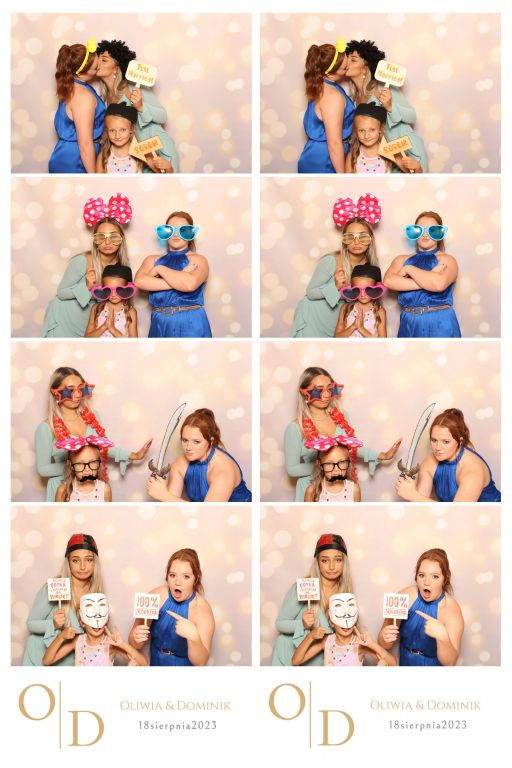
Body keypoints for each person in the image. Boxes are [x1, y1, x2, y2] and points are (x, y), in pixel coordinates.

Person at [35, 366, 152, 501]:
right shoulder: (46, 428)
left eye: (80, 389)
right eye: (70, 390)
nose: (77, 395)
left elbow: (104, 447)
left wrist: (133, 455)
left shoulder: (92, 416)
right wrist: (76, 469)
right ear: (56, 393)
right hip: (63, 489)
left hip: (91, 486)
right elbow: (42, 468)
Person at [284, 367, 401, 501]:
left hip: (340, 486)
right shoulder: (295, 428)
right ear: (305, 393)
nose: (326, 395)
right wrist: (326, 468)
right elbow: (292, 469)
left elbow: (352, 446)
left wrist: (382, 455)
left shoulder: (341, 416)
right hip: (312, 489)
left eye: (330, 389)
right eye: (319, 390)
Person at [42, 195, 132, 338]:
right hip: (64, 318)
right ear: (95, 240)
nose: (107, 242)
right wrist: (87, 286)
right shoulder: (82, 261)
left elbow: (123, 298)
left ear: (121, 240)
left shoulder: (122, 267)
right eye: (101, 237)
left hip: (89, 322)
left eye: (113, 237)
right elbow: (61, 293)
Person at [291, 194, 381, 337]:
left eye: (362, 237)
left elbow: (372, 298)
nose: (356, 242)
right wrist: (335, 286)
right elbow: (311, 293)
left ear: (371, 240)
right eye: (350, 237)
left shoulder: (371, 267)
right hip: (313, 317)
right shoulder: (331, 261)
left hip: (339, 321)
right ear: (344, 240)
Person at [96, 39, 179, 173]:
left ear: (116, 68)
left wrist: (141, 107)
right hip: (137, 157)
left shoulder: (133, 87)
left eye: (104, 60)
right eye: (98, 58)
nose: (97, 62)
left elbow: (163, 116)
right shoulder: (105, 98)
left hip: (158, 151)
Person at [345, 39, 427, 173]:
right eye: (347, 58)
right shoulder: (354, 98)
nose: (346, 62)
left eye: (353, 60)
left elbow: (412, 116)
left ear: (365, 68)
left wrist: (390, 106)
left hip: (407, 153)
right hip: (385, 158)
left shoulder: (382, 87)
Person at [22, 534, 103, 666]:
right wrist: (53, 624)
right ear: (68, 562)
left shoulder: (96, 595)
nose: (82, 566)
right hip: (37, 658)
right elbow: (31, 624)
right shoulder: (53, 588)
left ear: (95, 562)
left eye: (88, 560)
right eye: (75, 560)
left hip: (68, 662)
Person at [272, 533, 352, 666]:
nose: (332, 567)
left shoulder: (345, 594)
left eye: (338, 560)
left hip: (318, 662)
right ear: (317, 562)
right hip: (287, 658)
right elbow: (280, 624)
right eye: (325, 560)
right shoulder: (303, 588)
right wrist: (302, 625)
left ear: (344, 562)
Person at [377, 548, 464, 666]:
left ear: (445, 578)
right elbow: (382, 644)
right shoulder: (404, 596)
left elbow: (450, 662)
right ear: (416, 577)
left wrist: (443, 637)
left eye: (435, 576)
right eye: (421, 575)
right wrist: (384, 638)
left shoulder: (452, 610)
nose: (427, 582)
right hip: (405, 662)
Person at [128, 549, 215, 666]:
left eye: (186, 576)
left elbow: (201, 662)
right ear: (167, 577)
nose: (177, 582)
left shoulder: (202, 610)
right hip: (155, 662)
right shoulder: (155, 596)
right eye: (172, 575)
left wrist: (194, 637)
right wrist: (135, 639)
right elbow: (133, 644)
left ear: (196, 579)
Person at [395, 408, 500, 502]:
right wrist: (410, 490)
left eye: (446, 442)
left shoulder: (471, 470)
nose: (437, 448)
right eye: (434, 440)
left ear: (460, 441)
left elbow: (458, 513)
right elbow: (420, 507)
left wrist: (413, 495)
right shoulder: (430, 462)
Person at [146, 408, 251, 502]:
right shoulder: (180, 463)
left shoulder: (222, 471)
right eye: (185, 440)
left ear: (211, 441)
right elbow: (170, 507)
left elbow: (209, 513)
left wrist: (164, 496)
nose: (188, 448)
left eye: (196, 442)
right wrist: (161, 491)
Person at [135, 211, 212, 338]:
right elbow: (139, 282)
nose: (176, 234)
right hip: (159, 323)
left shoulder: (199, 260)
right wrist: (181, 277)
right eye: (170, 229)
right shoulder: (152, 259)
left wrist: (159, 269)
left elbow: (189, 284)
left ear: (190, 233)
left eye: (183, 230)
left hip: (191, 322)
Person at [384, 212, 461, 337]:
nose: (425, 234)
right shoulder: (401, 259)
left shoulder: (448, 260)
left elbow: (438, 284)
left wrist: (409, 269)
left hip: (440, 322)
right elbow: (388, 281)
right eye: (419, 229)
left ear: (439, 233)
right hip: (409, 323)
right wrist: (429, 277)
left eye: (432, 230)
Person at [298, 39, 355, 173]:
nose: (348, 67)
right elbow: (334, 143)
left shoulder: (321, 86)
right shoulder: (332, 97)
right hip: (325, 160)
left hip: (320, 155)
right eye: (344, 68)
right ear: (329, 73)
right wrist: (342, 177)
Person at [292, 592, 396, 666]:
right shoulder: (327, 641)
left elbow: (392, 663)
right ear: (331, 622)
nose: (346, 625)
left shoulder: (360, 644)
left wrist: (372, 644)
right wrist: (310, 637)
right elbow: (296, 661)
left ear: (355, 620)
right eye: (340, 617)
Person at [43, 593, 147, 666]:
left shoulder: (111, 644)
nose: (97, 625)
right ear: (82, 622)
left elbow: (143, 663)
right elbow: (47, 661)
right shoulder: (78, 641)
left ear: (106, 620)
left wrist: (122, 644)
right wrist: (61, 637)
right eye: (91, 618)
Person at [49, 40, 105, 173]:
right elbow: (85, 143)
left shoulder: (73, 86)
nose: (99, 66)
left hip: (72, 155)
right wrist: (94, 177)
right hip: (76, 160)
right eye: (95, 68)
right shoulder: (83, 97)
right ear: (80, 73)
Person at [85, 264, 138, 338]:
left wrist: (112, 329)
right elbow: (87, 337)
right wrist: (104, 327)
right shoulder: (96, 308)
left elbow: (133, 341)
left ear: (126, 289)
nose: (113, 294)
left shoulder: (131, 311)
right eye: (108, 289)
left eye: (118, 289)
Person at [334, 264, 387, 337]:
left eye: (368, 289)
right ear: (352, 288)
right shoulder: (345, 308)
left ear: (376, 289)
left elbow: (382, 341)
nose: (362, 294)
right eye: (357, 289)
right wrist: (353, 327)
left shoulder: (380, 311)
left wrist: (361, 329)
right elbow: (336, 337)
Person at [55, 438, 113, 502]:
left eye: (92, 462)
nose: (87, 469)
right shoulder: (63, 491)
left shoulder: (105, 490)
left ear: (99, 463)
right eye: (80, 463)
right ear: (71, 465)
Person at [346, 103, 393, 173]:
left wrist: (411, 166)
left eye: (372, 130)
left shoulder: (388, 151)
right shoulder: (352, 156)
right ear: (356, 131)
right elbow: (347, 179)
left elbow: (408, 172)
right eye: (361, 130)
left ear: (380, 129)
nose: (366, 136)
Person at [96, 103, 143, 173]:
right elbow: (97, 179)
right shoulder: (103, 156)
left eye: (123, 130)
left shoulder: (140, 151)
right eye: (112, 130)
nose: (117, 136)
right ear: (106, 130)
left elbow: (159, 172)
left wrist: (161, 165)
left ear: (131, 128)